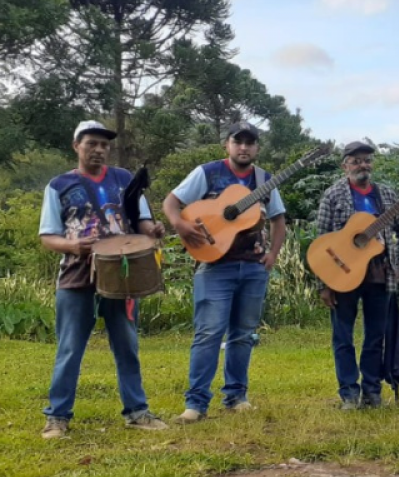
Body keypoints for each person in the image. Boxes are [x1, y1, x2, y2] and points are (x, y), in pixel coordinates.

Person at [38, 120, 168, 439]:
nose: (98, 149)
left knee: (127, 345)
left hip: (122, 273)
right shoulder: (59, 185)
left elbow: (142, 219)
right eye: (91, 143)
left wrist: (152, 229)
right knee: (70, 347)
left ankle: (137, 411)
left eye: (104, 145)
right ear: (76, 146)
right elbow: (48, 235)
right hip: (76, 274)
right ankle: (57, 417)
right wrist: (72, 245)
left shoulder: (124, 179)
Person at [163, 121, 286, 423]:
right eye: (237, 141)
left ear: (257, 148)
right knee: (208, 334)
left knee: (243, 335)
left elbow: (278, 220)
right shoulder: (207, 173)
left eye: (250, 142)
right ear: (227, 145)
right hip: (214, 265)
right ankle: (196, 403)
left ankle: (236, 396)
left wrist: (273, 254)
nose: (243, 147)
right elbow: (172, 202)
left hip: (254, 267)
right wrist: (180, 224)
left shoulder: (265, 180)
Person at [315, 141, 399, 409]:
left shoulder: (387, 196)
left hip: (379, 274)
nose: (363, 165)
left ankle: (372, 391)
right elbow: (320, 241)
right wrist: (324, 283)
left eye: (367, 160)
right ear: (345, 165)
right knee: (343, 336)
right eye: (356, 160)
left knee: (375, 336)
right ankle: (348, 392)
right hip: (341, 275)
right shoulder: (333, 195)